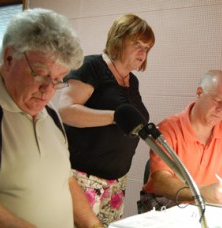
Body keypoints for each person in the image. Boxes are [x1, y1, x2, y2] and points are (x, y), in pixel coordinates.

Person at [0, 8, 103, 228]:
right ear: (9, 58)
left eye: (59, 79)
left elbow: (64, 179)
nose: (48, 90)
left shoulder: (50, 114)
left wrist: (92, 224)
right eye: (40, 73)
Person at [58, 14, 155, 227]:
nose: (143, 52)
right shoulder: (92, 66)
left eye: (147, 48)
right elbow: (65, 110)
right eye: (137, 44)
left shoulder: (133, 81)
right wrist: (114, 117)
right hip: (83, 179)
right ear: (119, 40)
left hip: (116, 182)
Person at [140, 70, 222, 212]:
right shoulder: (167, 129)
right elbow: (161, 182)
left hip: (206, 203)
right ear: (199, 93)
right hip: (165, 201)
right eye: (217, 101)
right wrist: (202, 192)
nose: (221, 109)